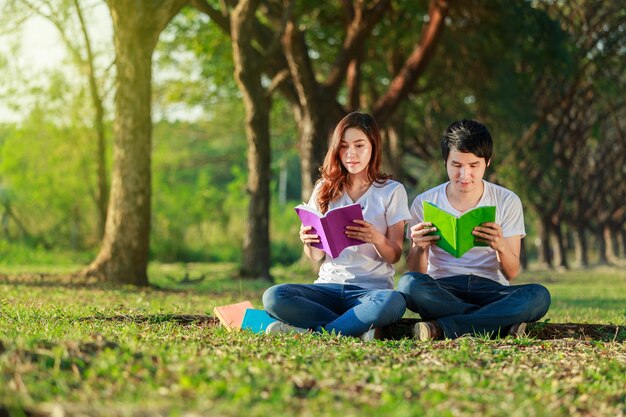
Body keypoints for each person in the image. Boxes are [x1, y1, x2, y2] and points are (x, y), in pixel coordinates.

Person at [263, 111, 410, 339]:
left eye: (359, 145)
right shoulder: (324, 188)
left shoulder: (392, 191)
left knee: (394, 301)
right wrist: (309, 240)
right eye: (343, 146)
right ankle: (354, 328)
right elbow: (314, 256)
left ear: (373, 146)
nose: (351, 154)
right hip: (327, 288)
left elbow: (394, 256)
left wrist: (376, 238)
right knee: (274, 296)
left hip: (370, 292)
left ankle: (314, 332)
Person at [398, 119, 551, 340]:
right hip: (443, 289)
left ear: (487, 162)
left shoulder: (507, 200)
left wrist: (500, 246)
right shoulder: (424, 202)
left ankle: (442, 328)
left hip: (491, 290)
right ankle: (497, 323)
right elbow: (416, 273)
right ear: (445, 162)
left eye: (473, 165)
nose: (464, 175)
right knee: (408, 284)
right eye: (457, 165)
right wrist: (419, 248)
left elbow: (512, 272)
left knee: (539, 296)